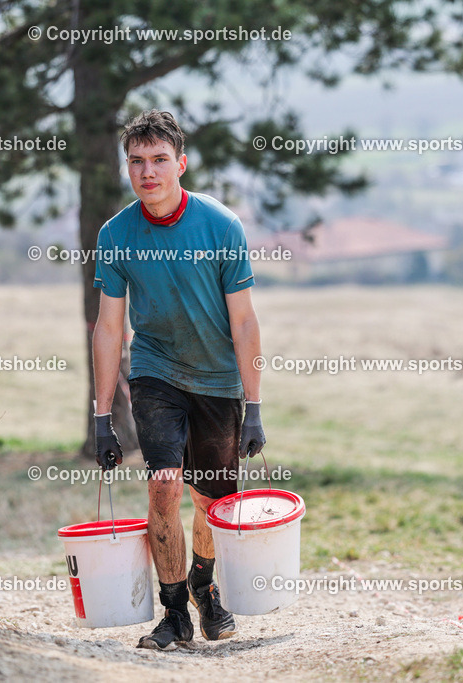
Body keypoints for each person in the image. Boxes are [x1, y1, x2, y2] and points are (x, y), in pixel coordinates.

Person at [91, 110, 266, 651]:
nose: (148, 172)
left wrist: (254, 405)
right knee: (166, 483)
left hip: (217, 380)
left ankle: (202, 584)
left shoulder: (221, 225)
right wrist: (101, 417)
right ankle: (173, 613)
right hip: (155, 372)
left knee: (212, 501)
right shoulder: (116, 234)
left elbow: (244, 321)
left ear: (181, 165)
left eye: (159, 160)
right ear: (128, 168)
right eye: (137, 162)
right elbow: (109, 326)